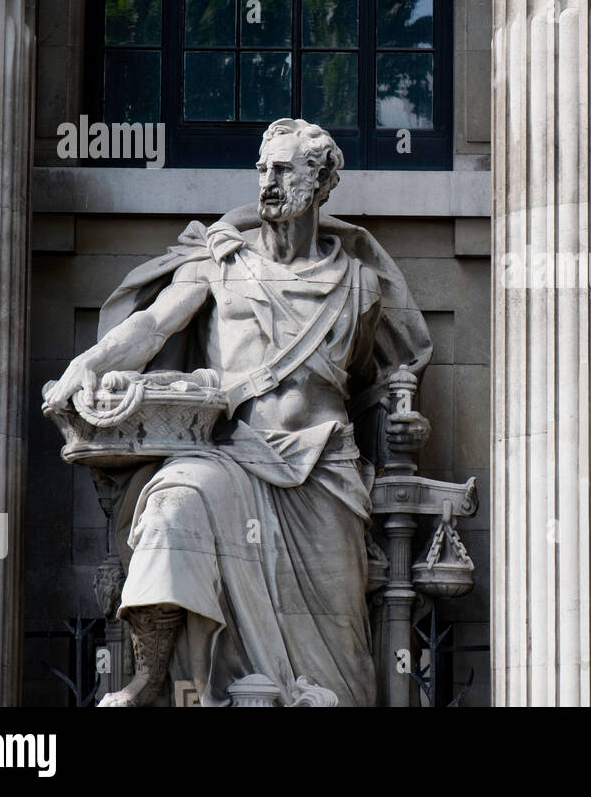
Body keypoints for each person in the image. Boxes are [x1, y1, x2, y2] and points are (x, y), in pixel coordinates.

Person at [44, 119, 431, 706]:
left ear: (323, 180)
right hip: (234, 456)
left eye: (282, 169)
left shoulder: (360, 287)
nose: (266, 182)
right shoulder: (218, 265)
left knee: (343, 664)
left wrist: (403, 425)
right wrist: (89, 364)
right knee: (174, 501)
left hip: (324, 468)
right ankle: (150, 678)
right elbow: (152, 326)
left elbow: (371, 392)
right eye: (261, 169)